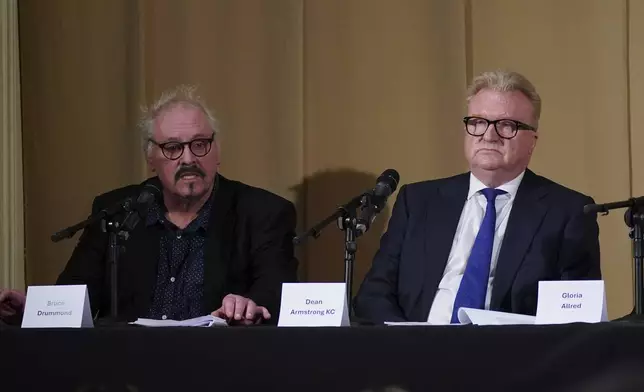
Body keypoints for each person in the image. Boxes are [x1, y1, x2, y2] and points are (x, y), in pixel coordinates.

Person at [0, 85, 298, 325]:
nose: (188, 159)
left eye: (199, 144)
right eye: (172, 147)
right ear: (151, 159)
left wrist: (251, 305)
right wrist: (34, 310)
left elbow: (276, 290)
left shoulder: (263, 212)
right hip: (128, 370)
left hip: (220, 367)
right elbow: (77, 295)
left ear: (216, 151)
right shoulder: (117, 210)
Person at [354, 70, 601, 324]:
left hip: (510, 356)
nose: (489, 135)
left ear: (532, 141)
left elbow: (575, 316)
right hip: (416, 351)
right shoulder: (418, 202)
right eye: (477, 122)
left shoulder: (569, 212)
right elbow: (374, 294)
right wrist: (408, 344)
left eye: (507, 125)